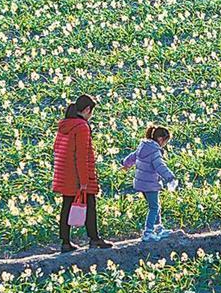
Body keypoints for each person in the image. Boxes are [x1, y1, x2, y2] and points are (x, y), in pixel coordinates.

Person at [52, 94, 112, 251]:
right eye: (91, 111)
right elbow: (81, 156)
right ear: (87, 109)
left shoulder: (64, 125)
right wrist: (85, 181)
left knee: (66, 206)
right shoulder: (82, 127)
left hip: (64, 173)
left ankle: (65, 242)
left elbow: (57, 149)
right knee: (90, 205)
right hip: (78, 175)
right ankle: (94, 239)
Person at [121, 125, 179, 242]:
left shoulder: (144, 146)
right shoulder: (154, 151)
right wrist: (170, 177)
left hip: (140, 183)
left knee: (155, 205)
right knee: (154, 207)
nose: (165, 145)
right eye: (166, 142)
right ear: (161, 139)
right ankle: (148, 232)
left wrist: (125, 164)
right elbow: (160, 166)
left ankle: (158, 228)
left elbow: (133, 156)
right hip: (150, 183)